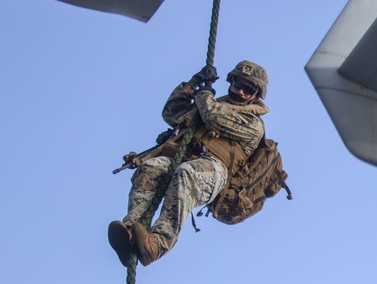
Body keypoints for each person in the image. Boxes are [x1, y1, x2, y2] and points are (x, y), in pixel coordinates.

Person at [108, 61, 270, 266]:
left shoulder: (254, 124)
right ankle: (132, 231)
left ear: (256, 94)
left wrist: (204, 95)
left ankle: (157, 244)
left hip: (214, 170)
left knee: (187, 173)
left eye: (248, 89)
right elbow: (171, 113)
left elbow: (214, 117)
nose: (241, 91)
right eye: (238, 83)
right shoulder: (208, 105)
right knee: (151, 167)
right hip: (186, 158)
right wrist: (193, 84)